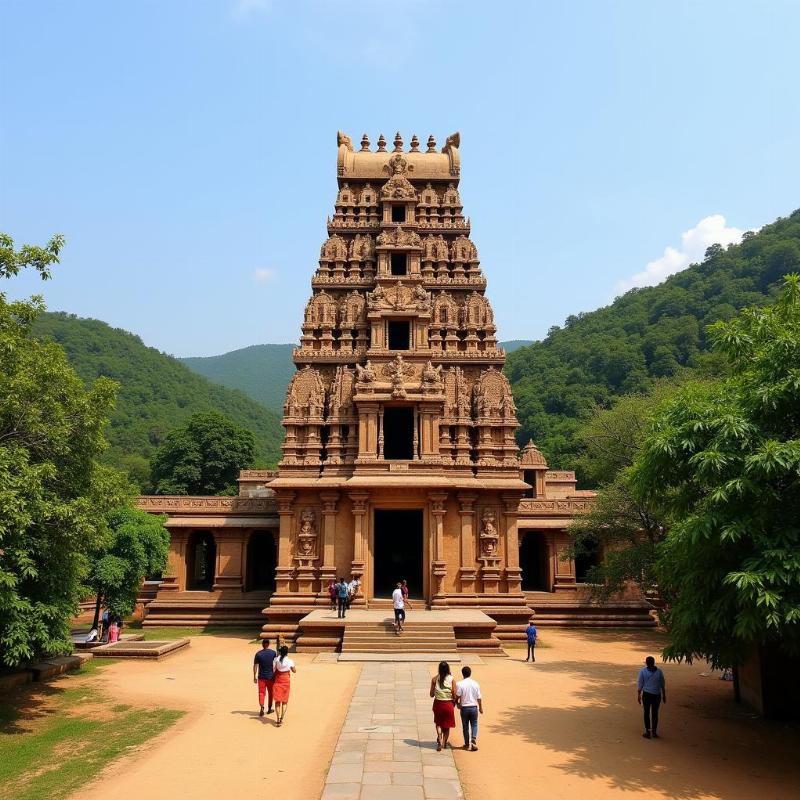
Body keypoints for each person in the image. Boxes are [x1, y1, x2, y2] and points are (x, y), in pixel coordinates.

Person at [637, 656, 667, 739]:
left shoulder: (642, 671)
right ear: (654, 663)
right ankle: (654, 731)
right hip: (657, 695)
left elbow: (640, 684)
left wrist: (639, 695)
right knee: (655, 713)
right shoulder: (659, 672)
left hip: (646, 694)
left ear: (646, 663)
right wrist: (664, 695)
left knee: (646, 712)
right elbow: (662, 684)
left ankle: (648, 731)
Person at [430, 660, 456, 751]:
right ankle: (444, 742)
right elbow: (454, 693)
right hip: (448, 704)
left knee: (438, 723)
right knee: (447, 725)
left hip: (438, 704)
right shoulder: (452, 679)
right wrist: (454, 701)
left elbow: (431, 694)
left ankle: (439, 740)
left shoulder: (434, 679)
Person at [456, 665, 483, 751]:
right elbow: (479, 698)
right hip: (474, 707)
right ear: (470, 673)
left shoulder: (459, 684)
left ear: (462, 674)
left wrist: (457, 703)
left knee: (465, 726)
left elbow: (457, 696)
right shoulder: (475, 683)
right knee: (474, 724)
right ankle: (473, 739)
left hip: (464, 708)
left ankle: (467, 744)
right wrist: (480, 708)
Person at [252, 637, 277, 717]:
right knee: (271, 693)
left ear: (262, 645)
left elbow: (255, 666)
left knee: (261, 693)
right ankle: (269, 708)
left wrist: (254, 676)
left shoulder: (258, 654)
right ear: (268, 644)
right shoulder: (273, 653)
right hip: (270, 677)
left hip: (261, 677)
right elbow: (276, 663)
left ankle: (262, 707)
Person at [273, 645, 296, 727]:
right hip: (286, 680)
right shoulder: (290, 661)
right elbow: (294, 671)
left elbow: (274, 669)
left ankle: (278, 718)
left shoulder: (276, 659)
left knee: (277, 701)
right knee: (284, 701)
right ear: (287, 653)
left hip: (278, 680)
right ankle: (282, 717)